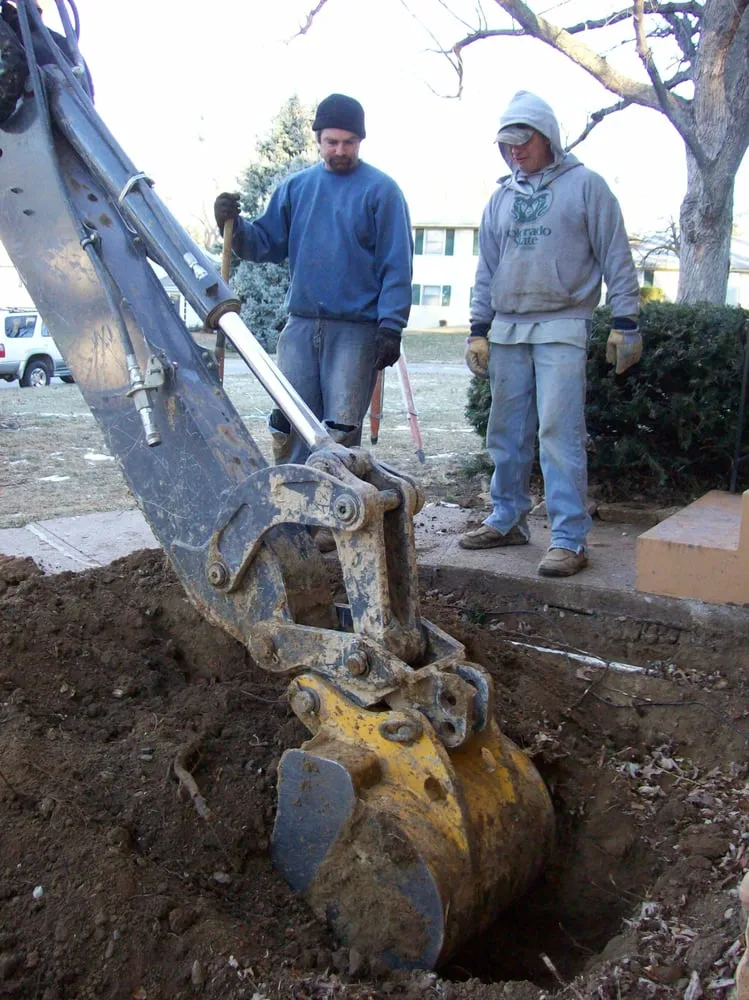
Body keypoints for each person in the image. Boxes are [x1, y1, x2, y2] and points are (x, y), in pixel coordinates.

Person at [461, 90, 641, 578]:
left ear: (548, 138)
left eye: (524, 140)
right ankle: (507, 518)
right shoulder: (500, 198)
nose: (515, 150)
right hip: (507, 327)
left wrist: (626, 321)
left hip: (563, 323)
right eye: (508, 143)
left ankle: (569, 538)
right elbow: (486, 269)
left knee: (559, 434)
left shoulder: (586, 187)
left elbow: (616, 255)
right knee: (506, 433)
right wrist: (478, 329)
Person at [213, 93, 413, 468]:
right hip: (302, 325)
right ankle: (291, 496)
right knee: (289, 421)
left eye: (349, 142)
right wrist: (234, 226)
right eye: (331, 142)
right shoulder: (297, 188)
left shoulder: (382, 192)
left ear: (361, 141)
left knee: (340, 430)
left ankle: (336, 498)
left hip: (355, 330)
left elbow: (396, 264)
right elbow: (265, 242)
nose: (340, 150)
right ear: (318, 139)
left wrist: (391, 325)